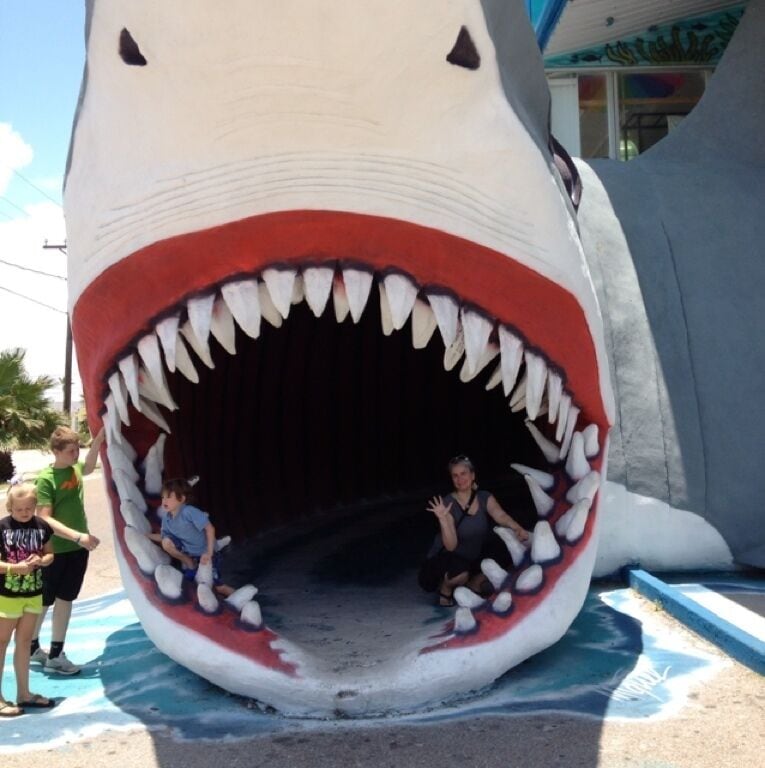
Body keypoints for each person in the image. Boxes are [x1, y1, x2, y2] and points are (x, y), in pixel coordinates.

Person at [31, 426, 103, 675]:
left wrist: (97, 442)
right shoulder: (46, 479)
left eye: (77, 449)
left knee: (65, 599)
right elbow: (44, 518)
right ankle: (32, 646)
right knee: (45, 600)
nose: (76, 455)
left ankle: (55, 653)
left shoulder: (75, 470)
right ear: (56, 451)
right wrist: (78, 536)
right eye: (71, 451)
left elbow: (90, 466)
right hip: (55, 550)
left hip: (77, 549)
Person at [419, 455, 529, 607]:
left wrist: (518, 528)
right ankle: (446, 588)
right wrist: (443, 519)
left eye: (463, 473)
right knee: (460, 572)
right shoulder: (447, 503)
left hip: (471, 557)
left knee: (508, 545)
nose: (460, 479)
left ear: (472, 475)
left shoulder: (484, 497)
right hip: (445, 559)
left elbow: (501, 515)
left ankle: (475, 583)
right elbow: (451, 546)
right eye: (455, 475)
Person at [0, 484, 56, 716]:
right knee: (1, 643)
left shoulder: (41, 526)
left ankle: (24, 693)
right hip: (7, 595)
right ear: (10, 506)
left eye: (29, 508)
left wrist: (43, 561)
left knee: (24, 643)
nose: (24, 513)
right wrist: (15, 568)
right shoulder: (2, 528)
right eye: (19, 509)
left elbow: (50, 553)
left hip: (33, 593)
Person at [148, 478, 234, 596]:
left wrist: (209, 553)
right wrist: (146, 535)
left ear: (182, 499)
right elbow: (163, 538)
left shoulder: (188, 512)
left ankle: (241, 599)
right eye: (163, 497)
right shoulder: (166, 519)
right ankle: (189, 563)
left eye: (169, 497)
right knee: (166, 542)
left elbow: (210, 528)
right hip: (189, 554)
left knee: (219, 587)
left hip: (205, 553)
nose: (164, 501)